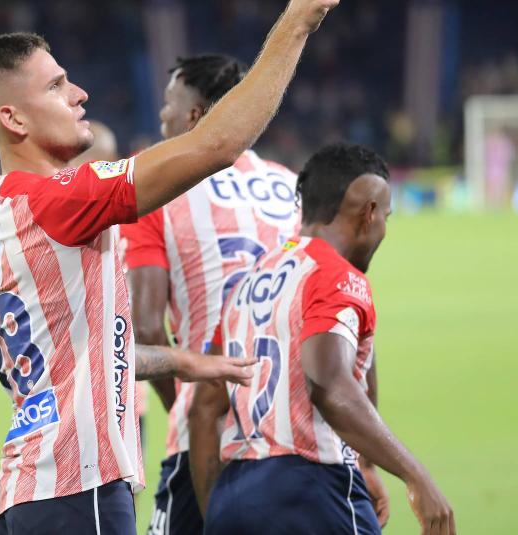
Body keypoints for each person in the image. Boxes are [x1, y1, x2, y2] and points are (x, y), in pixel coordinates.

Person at [0, 1, 338, 532]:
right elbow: (215, 145)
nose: (79, 94)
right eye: (56, 86)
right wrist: (298, 21)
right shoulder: (58, 200)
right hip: (79, 484)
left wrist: (183, 361)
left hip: (28, 488)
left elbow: (83, 356)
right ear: (13, 118)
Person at [188, 144, 454, 535]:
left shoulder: (247, 284)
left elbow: (203, 411)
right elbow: (329, 385)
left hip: (234, 496)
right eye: (386, 217)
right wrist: (417, 477)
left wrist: (219, 511)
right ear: (369, 214)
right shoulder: (336, 276)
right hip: (312, 489)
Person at [120, 54, 303, 535]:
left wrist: (183, 405)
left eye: (168, 104)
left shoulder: (154, 193)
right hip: (293, 424)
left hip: (209, 427)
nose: (161, 115)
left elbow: (145, 327)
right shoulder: (292, 186)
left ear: (194, 116)